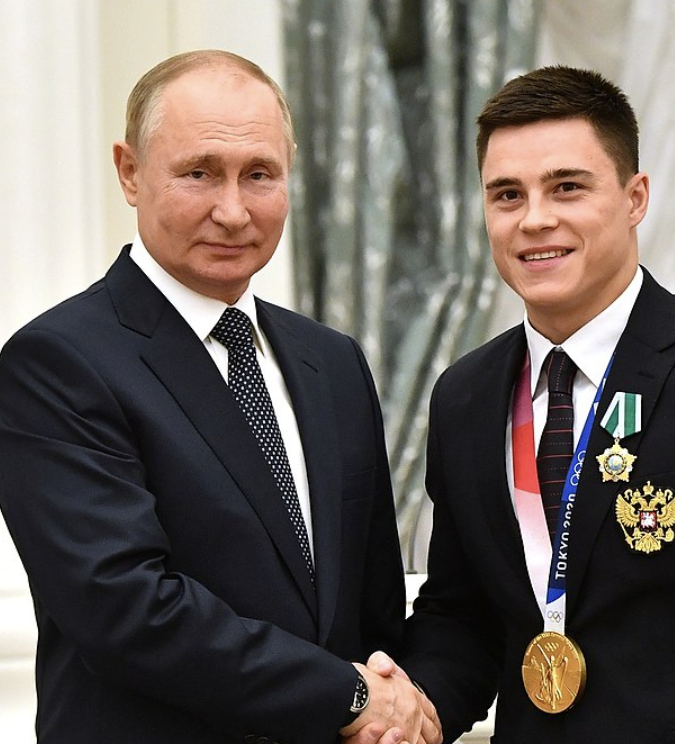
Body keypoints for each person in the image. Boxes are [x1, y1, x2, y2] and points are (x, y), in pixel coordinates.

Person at [0, 50, 439, 744]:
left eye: (259, 174)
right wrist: (350, 696)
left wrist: (396, 705)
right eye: (199, 173)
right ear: (129, 172)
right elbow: (126, 611)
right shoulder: (57, 363)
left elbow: (371, 605)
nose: (233, 211)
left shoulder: (332, 362)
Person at [359, 65, 675, 743]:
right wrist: (412, 711)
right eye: (508, 195)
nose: (535, 219)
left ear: (635, 197)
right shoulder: (464, 396)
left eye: (566, 187)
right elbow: (463, 617)